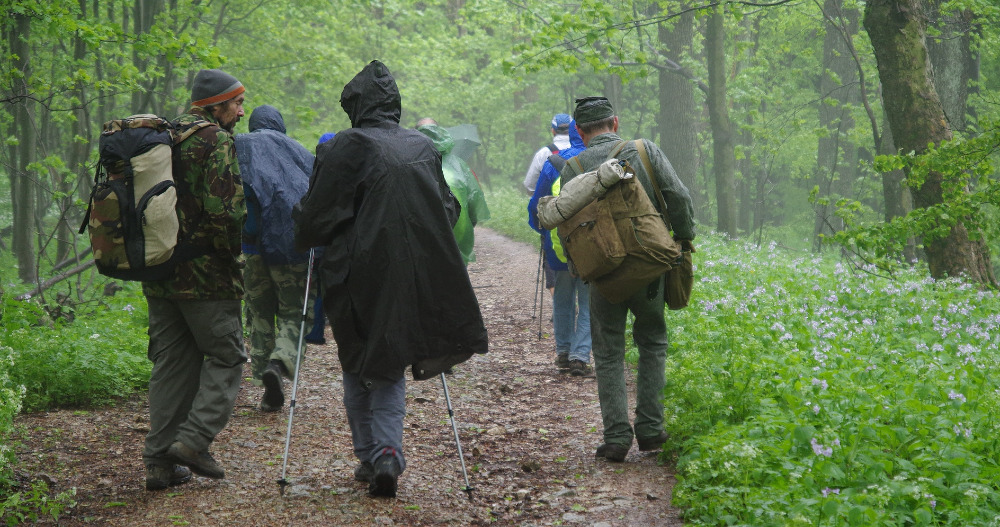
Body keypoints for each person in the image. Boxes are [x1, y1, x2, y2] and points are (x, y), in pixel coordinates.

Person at [294, 60, 489, 498]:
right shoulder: (420, 146)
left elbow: (314, 222)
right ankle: (385, 453)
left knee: (357, 359)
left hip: (353, 276)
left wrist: (300, 219)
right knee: (391, 356)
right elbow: (448, 209)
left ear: (355, 106)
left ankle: (372, 455)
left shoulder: (345, 146)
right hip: (415, 272)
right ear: (393, 103)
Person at [544, 96, 695, 463]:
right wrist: (685, 236)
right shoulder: (644, 151)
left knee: (608, 351)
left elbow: (570, 228)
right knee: (652, 341)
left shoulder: (574, 165)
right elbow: (678, 196)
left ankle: (615, 438)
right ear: (615, 122)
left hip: (605, 276)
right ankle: (650, 430)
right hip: (649, 267)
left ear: (579, 131)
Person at [142, 68, 247, 490]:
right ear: (216, 105)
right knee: (227, 356)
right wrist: (231, 256)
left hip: (158, 271)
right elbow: (226, 211)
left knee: (172, 364)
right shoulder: (214, 140)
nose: (241, 111)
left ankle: (158, 463)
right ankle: (193, 442)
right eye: (237, 103)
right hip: (205, 278)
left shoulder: (162, 135)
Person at [235, 105, 316, 412]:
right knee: (295, 312)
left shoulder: (239, 146)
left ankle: (266, 387)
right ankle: (278, 365)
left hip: (252, 250)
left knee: (259, 315)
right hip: (291, 249)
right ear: (280, 125)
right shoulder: (299, 152)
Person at [527, 120, 592, 376]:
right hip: (592, 247)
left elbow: (536, 205)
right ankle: (580, 355)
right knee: (587, 302)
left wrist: (541, 230)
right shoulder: (600, 161)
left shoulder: (554, 163)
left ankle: (563, 352)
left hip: (559, 245)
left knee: (563, 298)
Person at [416, 122, 491, 265]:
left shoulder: (410, 165)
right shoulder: (459, 166)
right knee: (455, 281)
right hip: (458, 236)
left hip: (423, 241)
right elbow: (474, 202)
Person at [525, 113, 572, 298]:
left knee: (554, 260)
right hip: (583, 217)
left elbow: (529, 185)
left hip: (552, 217)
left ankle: (559, 299)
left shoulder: (545, 153)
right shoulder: (583, 149)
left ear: (552, 130)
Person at [304, 132, 337, 345]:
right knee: (332, 285)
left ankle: (315, 331)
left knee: (314, 287)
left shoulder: (310, 169)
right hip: (337, 239)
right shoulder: (347, 170)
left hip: (316, 238)